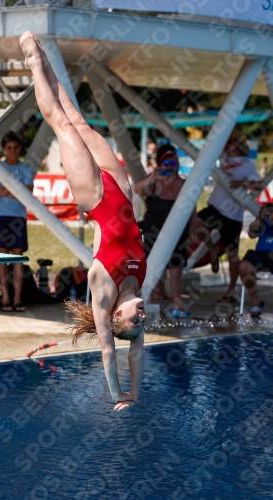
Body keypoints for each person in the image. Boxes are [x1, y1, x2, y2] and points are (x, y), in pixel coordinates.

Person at [20, 32, 146, 411]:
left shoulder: (103, 294)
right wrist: (137, 392)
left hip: (96, 196)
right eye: (143, 318)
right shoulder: (140, 286)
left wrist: (118, 395)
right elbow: (137, 350)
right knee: (78, 117)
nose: (143, 315)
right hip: (120, 189)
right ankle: (49, 61)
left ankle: (32, 60)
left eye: (136, 318)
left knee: (61, 122)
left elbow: (111, 351)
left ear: (116, 318)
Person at [193, 129, 263, 303]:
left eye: (230, 142)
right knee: (196, 222)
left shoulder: (246, 164)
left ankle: (231, 290)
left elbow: (258, 184)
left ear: (238, 144)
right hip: (215, 205)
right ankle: (212, 248)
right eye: (227, 142)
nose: (227, 145)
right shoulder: (222, 159)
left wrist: (243, 182)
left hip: (233, 214)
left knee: (233, 254)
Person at [134, 144, 196, 317]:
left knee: (176, 270)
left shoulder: (184, 184)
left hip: (178, 234)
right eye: (166, 163)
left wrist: (191, 234)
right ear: (160, 164)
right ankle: (148, 302)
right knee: (152, 268)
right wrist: (154, 176)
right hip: (153, 231)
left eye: (173, 163)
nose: (170, 167)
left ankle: (178, 305)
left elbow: (192, 211)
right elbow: (136, 189)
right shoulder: (154, 183)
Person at [0, 131, 35, 313]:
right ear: (3, 149)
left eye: (15, 147)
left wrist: (4, 189)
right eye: (9, 148)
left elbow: (27, 193)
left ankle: (17, 298)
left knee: (17, 256)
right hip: (0, 216)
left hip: (18, 217)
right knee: (2, 256)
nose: (12, 151)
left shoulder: (26, 168)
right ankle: (5, 297)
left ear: (20, 148)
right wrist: (16, 189)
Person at [239, 203, 273, 317]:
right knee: (244, 266)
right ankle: (256, 301)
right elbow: (252, 234)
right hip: (261, 253)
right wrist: (260, 216)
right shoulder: (265, 220)